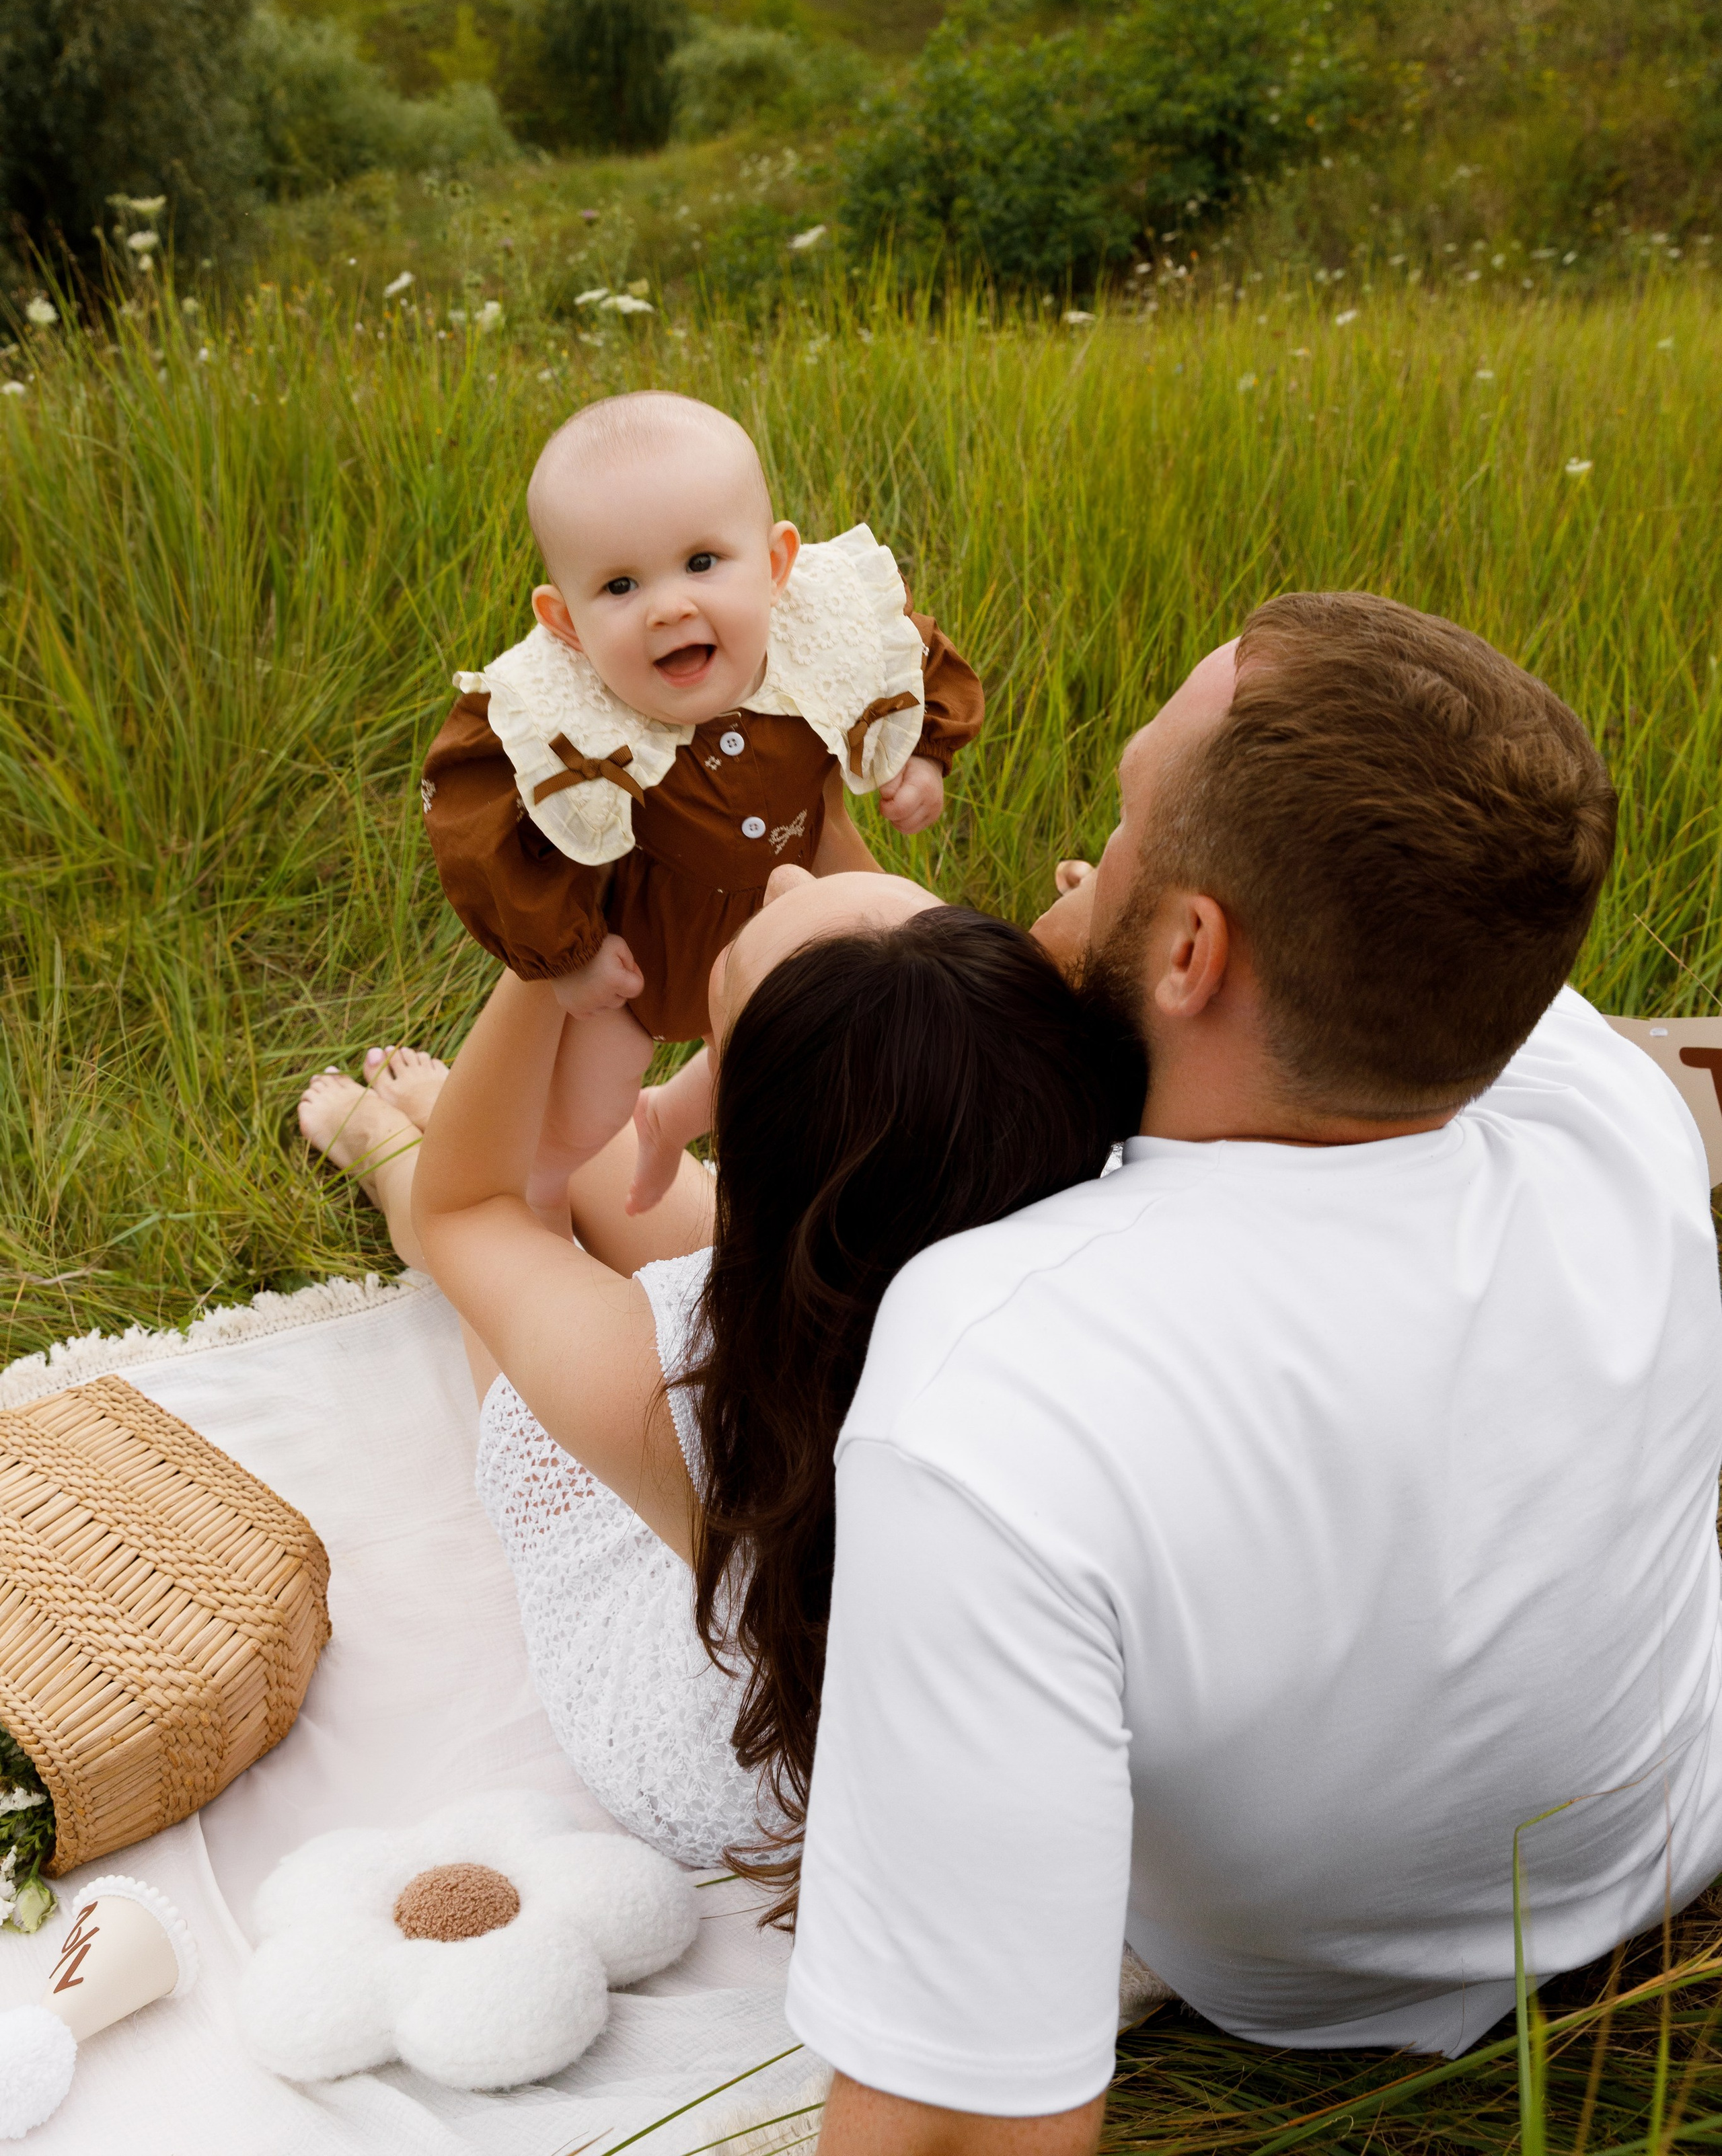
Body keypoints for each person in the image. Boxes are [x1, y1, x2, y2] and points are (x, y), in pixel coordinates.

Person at [786, 590, 1722, 2156]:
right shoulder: (1596, 1108)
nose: (1081, 862)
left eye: (1124, 814)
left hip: (1304, 1984)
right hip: (1654, 1845)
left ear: (1194, 947)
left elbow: (958, 2134)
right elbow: (1402, 847)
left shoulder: (998, 1362)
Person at [297, 867, 1141, 1877]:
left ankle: (388, 1143)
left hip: (733, 1696)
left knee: (516, 1214)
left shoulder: (663, 1401)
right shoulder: (1101, 1176)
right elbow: (898, 1005)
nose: (782, 872)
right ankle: (522, 1115)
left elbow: (469, 1211)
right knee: (629, 1161)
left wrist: (545, 958)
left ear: (741, 1148)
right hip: (863, 1319)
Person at [417, 393, 982, 1219]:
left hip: (781, 912)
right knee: (584, 1114)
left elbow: (908, 654)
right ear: (565, 622)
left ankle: (671, 1122)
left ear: (777, 563)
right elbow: (481, 823)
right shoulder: (563, 710)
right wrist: (568, 952)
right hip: (641, 951)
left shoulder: (818, 634)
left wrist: (923, 752)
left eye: (703, 563)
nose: (669, 605)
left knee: (795, 1053)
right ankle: (543, 1191)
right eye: (619, 585)